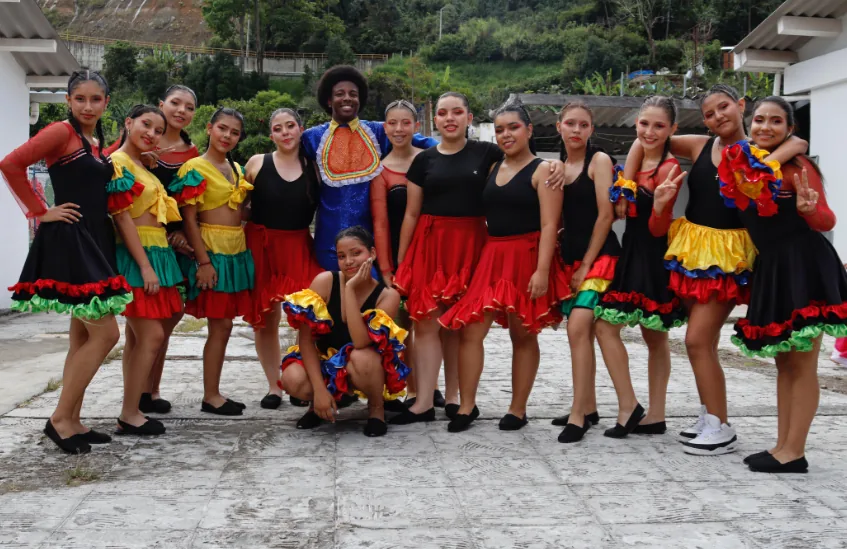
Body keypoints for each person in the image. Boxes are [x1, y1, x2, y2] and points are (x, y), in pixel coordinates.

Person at [622, 85, 809, 455]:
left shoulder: (759, 149)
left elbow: (799, 142)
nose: (718, 116)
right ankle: (711, 415)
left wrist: (772, 158)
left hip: (728, 255)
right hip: (692, 249)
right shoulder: (700, 145)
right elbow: (646, 138)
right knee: (703, 344)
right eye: (709, 114)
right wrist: (626, 183)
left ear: (740, 105)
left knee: (695, 340)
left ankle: (720, 427)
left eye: (724, 107)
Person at [391, 92, 565, 425]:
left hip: (485, 248)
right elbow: (411, 214)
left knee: (495, 329)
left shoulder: (488, 154)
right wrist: (403, 263)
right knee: (445, 326)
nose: (450, 118)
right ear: (434, 119)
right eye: (443, 112)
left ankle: (479, 403)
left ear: (469, 118)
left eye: (457, 111)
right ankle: (438, 403)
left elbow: (542, 202)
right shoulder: (431, 161)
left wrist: (557, 163)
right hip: (449, 248)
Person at [0, 70, 129, 453]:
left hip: (94, 240)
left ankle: (72, 419)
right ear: (68, 101)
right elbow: (10, 164)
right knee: (107, 335)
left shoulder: (93, 141)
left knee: (83, 337)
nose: (88, 106)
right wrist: (41, 211)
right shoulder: (60, 132)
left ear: (106, 102)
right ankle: (59, 419)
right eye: (80, 99)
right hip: (72, 240)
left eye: (95, 99)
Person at [723, 97, 847, 473]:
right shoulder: (742, 165)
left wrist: (811, 210)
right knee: (783, 364)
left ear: (789, 129)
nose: (766, 127)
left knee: (802, 364)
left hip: (806, 267)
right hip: (773, 269)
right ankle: (781, 445)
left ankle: (794, 451)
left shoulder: (799, 167)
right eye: (759, 119)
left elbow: (827, 221)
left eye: (776, 121)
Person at [439, 102, 570, 432]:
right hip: (492, 255)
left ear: (529, 130)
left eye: (513, 127)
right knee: (471, 330)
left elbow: (550, 225)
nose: (506, 134)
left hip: (527, 255)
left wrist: (542, 271)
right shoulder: (493, 165)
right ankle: (467, 406)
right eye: (499, 129)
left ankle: (517, 409)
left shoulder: (544, 170)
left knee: (522, 333)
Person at [593, 96, 688, 440]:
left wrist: (659, 207)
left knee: (650, 335)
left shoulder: (669, 168)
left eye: (659, 126)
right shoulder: (638, 150)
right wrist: (623, 190)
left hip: (653, 253)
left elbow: (658, 230)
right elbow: (635, 152)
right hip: (631, 250)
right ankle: (635, 407)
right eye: (644, 123)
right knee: (614, 328)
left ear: (672, 129)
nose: (649, 132)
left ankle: (650, 412)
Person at [104, 84, 200, 415]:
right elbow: (122, 218)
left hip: (160, 252)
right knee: (151, 336)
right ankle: (130, 413)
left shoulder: (143, 164)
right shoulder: (117, 162)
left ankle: (137, 404)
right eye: (146, 125)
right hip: (139, 255)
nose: (152, 134)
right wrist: (144, 266)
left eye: (158, 131)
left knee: (140, 338)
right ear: (128, 123)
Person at [301, 65, 439, 271]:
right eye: (340, 94)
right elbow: (288, 155)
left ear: (360, 100)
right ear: (329, 101)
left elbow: (422, 141)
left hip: (370, 239)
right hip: (328, 239)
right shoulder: (312, 138)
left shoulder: (378, 132)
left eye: (353, 94)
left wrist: (453, 152)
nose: (347, 98)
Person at [280, 226, 409, 437]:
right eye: (342, 256)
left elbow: (360, 342)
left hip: (365, 367)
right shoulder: (325, 281)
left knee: (362, 356)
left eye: (356, 253)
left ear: (372, 253)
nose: (348, 261)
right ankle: (319, 404)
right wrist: (319, 391)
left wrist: (349, 289)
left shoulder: (387, 295)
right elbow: (306, 341)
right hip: (324, 363)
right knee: (292, 378)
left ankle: (376, 408)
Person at [170, 107, 254, 416]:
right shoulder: (194, 167)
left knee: (225, 325)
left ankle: (214, 392)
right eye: (222, 128)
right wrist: (204, 262)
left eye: (234, 132)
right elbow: (189, 219)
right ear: (209, 128)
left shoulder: (237, 168)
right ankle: (211, 396)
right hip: (211, 250)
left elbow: (241, 211)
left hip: (235, 250)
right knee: (220, 324)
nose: (227, 136)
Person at [549, 101, 621, 442]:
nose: (576, 130)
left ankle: (579, 416)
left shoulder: (599, 160)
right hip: (570, 260)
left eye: (583, 125)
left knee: (577, 328)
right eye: (570, 124)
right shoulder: (560, 167)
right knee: (580, 334)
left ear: (591, 129)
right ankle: (587, 406)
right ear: (559, 126)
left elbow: (606, 215)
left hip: (599, 259)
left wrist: (588, 265)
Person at [241, 108, 322, 409]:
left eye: (290, 126)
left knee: (308, 317)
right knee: (266, 319)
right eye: (278, 128)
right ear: (271, 134)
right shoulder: (256, 163)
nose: (285, 132)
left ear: (301, 129)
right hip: (261, 245)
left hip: (299, 245)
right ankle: (274, 386)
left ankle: (299, 381)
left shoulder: (314, 167)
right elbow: (238, 206)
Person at [369, 99, 427, 409]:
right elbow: (380, 222)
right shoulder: (380, 169)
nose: (399, 129)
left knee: (431, 327)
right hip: (396, 256)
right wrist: (386, 268)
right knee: (402, 327)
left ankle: (432, 388)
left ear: (416, 126)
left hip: (432, 253)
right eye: (392, 123)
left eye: (406, 123)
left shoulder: (430, 160)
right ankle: (409, 389)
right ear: (385, 127)